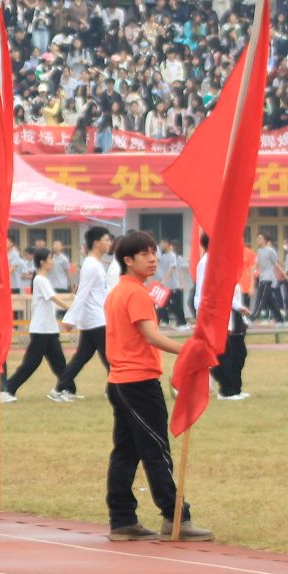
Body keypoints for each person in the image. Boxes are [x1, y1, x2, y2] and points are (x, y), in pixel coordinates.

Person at [102, 230, 210, 542]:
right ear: (128, 260)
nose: (152, 259)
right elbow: (150, 335)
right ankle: (175, 517)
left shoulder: (119, 292)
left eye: (154, 253)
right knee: (155, 450)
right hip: (138, 382)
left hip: (120, 382)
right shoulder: (135, 293)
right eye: (145, 254)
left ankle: (122, 519)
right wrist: (189, 350)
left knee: (126, 452)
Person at [53, 227, 115, 400]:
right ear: (96, 243)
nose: (109, 243)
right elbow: (82, 294)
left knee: (82, 357)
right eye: (106, 240)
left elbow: (104, 291)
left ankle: (59, 388)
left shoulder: (95, 265)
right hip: (96, 320)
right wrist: (69, 319)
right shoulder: (91, 266)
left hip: (96, 318)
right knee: (112, 359)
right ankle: (116, 391)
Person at [2, 248, 71, 399]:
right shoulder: (40, 279)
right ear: (42, 262)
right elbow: (53, 297)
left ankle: (67, 389)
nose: (52, 261)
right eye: (50, 259)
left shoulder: (43, 279)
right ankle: (8, 389)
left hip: (49, 329)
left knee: (59, 362)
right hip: (41, 330)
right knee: (31, 363)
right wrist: (71, 308)